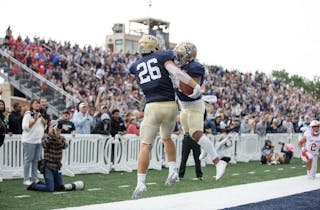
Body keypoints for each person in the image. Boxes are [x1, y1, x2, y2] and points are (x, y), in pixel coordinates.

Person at [129, 35, 202, 199]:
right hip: (170, 105)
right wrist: (195, 85)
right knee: (167, 138)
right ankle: (173, 170)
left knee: (146, 146)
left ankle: (141, 182)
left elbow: (140, 69)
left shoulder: (134, 65)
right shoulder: (163, 56)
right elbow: (176, 71)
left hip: (152, 106)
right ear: (154, 47)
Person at [174, 42, 227, 181]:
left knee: (196, 133)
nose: (178, 58)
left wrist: (179, 78)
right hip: (184, 106)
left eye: (181, 55)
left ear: (189, 56)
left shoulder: (195, 67)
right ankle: (205, 147)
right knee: (190, 135)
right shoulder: (179, 66)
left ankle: (218, 161)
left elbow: (189, 88)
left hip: (194, 105)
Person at [27, 121, 85, 192]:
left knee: (59, 187)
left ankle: (41, 183)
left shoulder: (61, 138)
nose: (56, 130)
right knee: (50, 189)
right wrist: (51, 136)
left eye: (58, 129)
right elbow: (44, 145)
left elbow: (65, 146)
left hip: (57, 166)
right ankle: (34, 185)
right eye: (52, 127)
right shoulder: (45, 137)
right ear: (48, 128)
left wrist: (57, 138)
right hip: (48, 166)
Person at [22, 99, 46, 185]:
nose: (38, 105)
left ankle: (35, 178)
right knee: (28, 160)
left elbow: (43, 128)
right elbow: (25, 127)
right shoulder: (28, 114)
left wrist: (44, 123)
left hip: (38, 140)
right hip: (29, 140)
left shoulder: (40, 114)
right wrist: (34, 120)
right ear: (31, 105)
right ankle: (26, 179)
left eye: (39, 103)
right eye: (36, 103)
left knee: (36, 160)